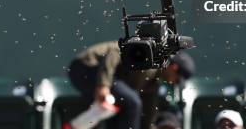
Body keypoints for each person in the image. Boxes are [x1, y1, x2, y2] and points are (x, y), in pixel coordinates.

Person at [67, 41, 195, 129]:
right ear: (173, 68)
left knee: (123, 109)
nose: (174, 83)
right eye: (177, 80)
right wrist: (104, 85)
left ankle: (76, 125)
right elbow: (113, 53)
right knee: (132, 102)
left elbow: (148, 112)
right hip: (86, 67)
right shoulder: (150, 58)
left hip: (106, 77)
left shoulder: (153, 82)